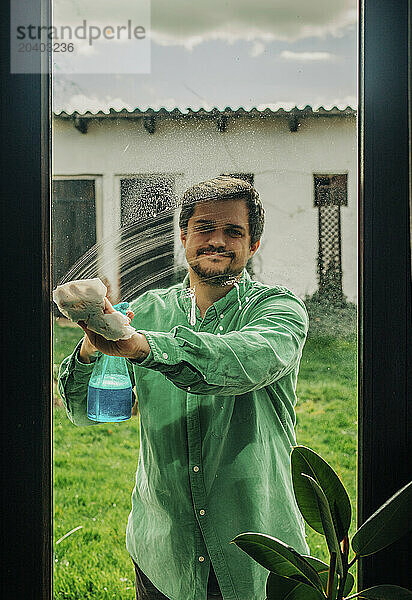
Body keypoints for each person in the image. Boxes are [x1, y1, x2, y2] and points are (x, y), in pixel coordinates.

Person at [58, 176, 309, 600]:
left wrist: (143, 347)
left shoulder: (279, 309)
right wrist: (91, 347)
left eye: (234, 231)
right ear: (183, 237)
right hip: (163, 556)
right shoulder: (148, 310)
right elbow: (86, 411)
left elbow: (242, 360)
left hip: (260, 557)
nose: (217, 241)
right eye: (204, 228)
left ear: (253, 246)